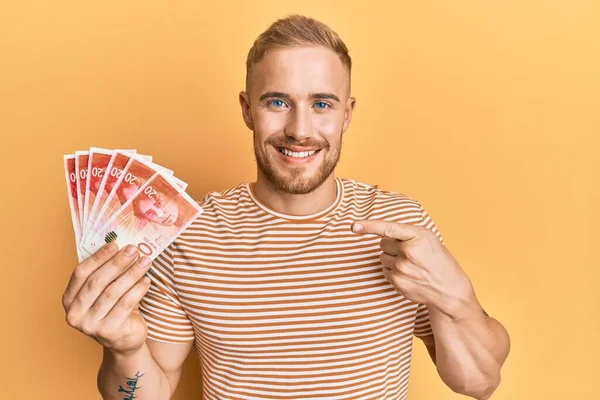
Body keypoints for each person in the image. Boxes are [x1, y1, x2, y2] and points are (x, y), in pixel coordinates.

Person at [62, 14, 510, 400]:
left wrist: (458, 296)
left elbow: (478, 383)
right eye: (277, 102)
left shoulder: (399, 227)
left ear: (347, 114)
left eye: (321, 104)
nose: (299, 129)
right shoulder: (193, 235)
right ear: (246, 110)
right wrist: (123, 348)